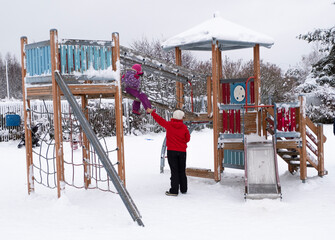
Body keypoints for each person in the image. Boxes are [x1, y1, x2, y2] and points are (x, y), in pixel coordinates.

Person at [147, 108, 190, 196]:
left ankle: (174, 191)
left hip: (171, 151)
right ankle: (183, 189)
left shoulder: (169, 125)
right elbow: (187, 139)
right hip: (182, 152)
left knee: (174, 171)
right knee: (182, 170)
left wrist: (152, 113)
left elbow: (159, 120)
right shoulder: (184, 127)